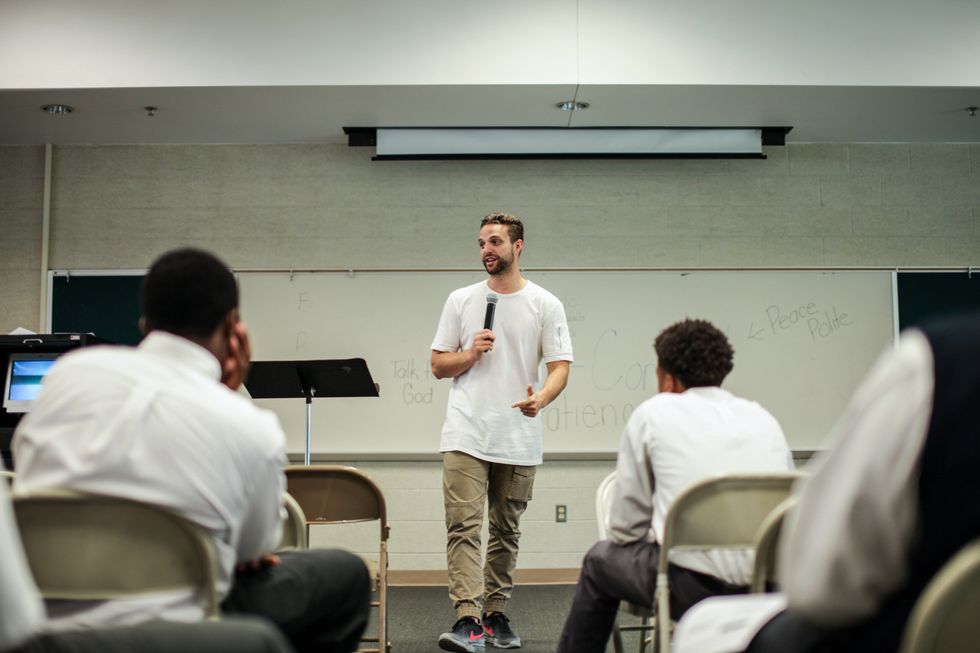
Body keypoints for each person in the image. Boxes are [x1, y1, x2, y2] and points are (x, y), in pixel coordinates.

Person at [12, 248, 370, 653]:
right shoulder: (250, 426)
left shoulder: (68, 373)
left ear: (146, 322)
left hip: (42, 613)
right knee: (344, 575)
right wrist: (227, 395)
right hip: (184, 620)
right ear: (232, 325)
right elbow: (253, 553)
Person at [672, 310, 980, 653]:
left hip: (910, 635)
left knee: (705, 630)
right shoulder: (760, 417)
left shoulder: (929, 365)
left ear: (667, 379)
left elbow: (819, 585)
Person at [556, 318, 794, 653]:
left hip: (690, 590)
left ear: (667, 377)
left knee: (599, 560)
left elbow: (625, 530)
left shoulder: (653, 414)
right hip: (768, 586)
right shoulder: (763, 418)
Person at [430, 212, 574, 652]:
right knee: (463, 527)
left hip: (517, 434)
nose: (486, 250)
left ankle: (495, 612)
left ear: (518, 246)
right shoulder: (461, 300)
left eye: (494, 241)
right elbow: (438, 364)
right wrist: (470, 354)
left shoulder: (545, 304)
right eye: (481, 243)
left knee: (506, 529)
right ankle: (467, 619)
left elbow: (560, 367)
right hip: (466, 433)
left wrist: (541, 398)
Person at [1, 461, 294, 653]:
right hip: (184, 603)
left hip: (53, 608)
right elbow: (15, 625)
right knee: (258, 639)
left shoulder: (49, 406)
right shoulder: (243, 423)